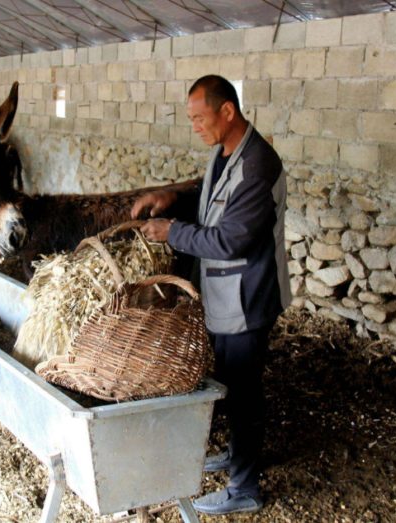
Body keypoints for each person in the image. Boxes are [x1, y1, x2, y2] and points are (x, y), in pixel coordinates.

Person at [130, 75, 291, 516]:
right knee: (228, 383)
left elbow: (230, 240)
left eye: (200, 118)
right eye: (191, 119)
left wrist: (172, 232)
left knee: (243, 389)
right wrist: (171, 195)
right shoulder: (224, 154)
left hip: (247, 297)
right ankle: (240, 457)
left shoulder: (258, 166)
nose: (195, 126)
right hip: (222, 295)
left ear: (227, 111)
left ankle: (245, 487)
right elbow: (208, 195)